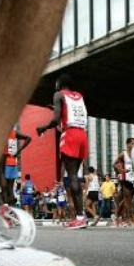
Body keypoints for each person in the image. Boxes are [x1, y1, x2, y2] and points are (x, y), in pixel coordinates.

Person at [37, 74, 88, 230]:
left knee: (71, 175)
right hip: (82, 135)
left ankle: (79, 218)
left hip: (70, 135)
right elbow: (70, 114)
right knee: (76, 176)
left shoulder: (58, 94)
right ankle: (81, 216)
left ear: (60, 84)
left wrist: (43, 128)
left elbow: (56, 119)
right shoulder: (79, 96)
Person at [0, 127, 31, 206]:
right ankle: (11, 208)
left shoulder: (2, 132)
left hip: (4, 160)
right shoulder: (13, 132)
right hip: (13, 162)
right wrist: (18, 151)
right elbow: (28, 138)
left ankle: (5, 206)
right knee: (10, 189)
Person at [114, 138, 134, 226]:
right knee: (128, 200)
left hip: (133, 179)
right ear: (127, 144)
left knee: (126, 200)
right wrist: (120, 171)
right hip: (124, 178)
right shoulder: (123, 154)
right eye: (132, 143)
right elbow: (115, 164)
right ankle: (129, 219)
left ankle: (117, 216)